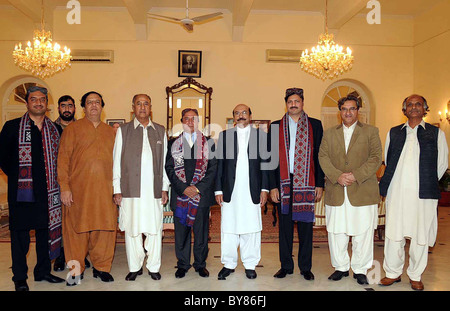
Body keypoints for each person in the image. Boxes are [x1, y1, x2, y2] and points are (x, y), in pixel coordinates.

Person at [378, 94, 448, 291]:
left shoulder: (436, 133)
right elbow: (387, 158)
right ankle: (392, 272)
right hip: (397, 192)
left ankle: (416, 275)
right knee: (394, 233)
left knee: (420, 235)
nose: (414, 107)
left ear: (425, 109)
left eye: (418, 104)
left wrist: (425, 180)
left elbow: (441, 164)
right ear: (404, 110)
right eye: (410, 104)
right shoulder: (394, 132)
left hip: (423, 193)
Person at [0, 86, 64, 291]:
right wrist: (20, 178)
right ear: (27, 103)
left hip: (49, 191)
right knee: (21, 235)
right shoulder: (12, 127)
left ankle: (43, 271)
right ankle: (19, 276)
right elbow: (3, 158)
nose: (38, 103)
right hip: (22, 193)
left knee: (46, 232)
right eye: (34, 99)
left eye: (42, 100)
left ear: (47, 103)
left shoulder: (55, 130)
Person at [318, 95, 382, 285]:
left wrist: (355, 175)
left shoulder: (371, 131)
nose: (348, 112)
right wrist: (337, 175)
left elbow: (376, 157)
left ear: (358, 110)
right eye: (344, 109)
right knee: (337, 231)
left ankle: (361, 269)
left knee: (363, 231)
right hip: (337, 189)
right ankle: (341, 267)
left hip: (362, 189)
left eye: (352, 109)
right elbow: (323, 157)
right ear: (340, 112)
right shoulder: (329, 133)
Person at [57, 91, 117, 286]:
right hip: (78, 192)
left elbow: (119, 163)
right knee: (76, 232)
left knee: (105, 230)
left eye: (97, 102)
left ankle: (102, 268)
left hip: (105, 192)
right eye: (89, 102)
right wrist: (65, 187)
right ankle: (75, 270)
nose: (93, 105)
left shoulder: (111, 133)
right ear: (83, 108)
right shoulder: (72, 129)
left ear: (102, 106)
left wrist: (118, 190)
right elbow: (63, 160)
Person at [269, 87, 324, 281]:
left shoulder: (315, 125)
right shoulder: (276, 126)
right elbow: (271, 160)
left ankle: (305, 267)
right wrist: (273, 186)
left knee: (305, 227)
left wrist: (319, 183)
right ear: (286, 104)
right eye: (290, 101)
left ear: (302, 103)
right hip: (283, 182)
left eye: (297, 101)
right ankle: (286, 266)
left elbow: (320, 156)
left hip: (307, 182)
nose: (293, 104)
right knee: (284, 228)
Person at [113, 94, 170, 281]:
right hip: (130, 189)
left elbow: (164, 163)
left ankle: (154, 267)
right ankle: (135, 266)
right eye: (139, 103)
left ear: (150, 107)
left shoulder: (160, 130)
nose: (143, 107)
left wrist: (164, 187)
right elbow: (116, 161)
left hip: (153, 190)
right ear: (133, 107)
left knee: (154, 229)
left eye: (146, 103)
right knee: (132, 229)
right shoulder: (123, 130)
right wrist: (117, 189)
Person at [215, 104, 269, 280]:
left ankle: (250, 264)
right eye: (237, 113)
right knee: (229, 228)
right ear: (233, 117)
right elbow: (219, 166)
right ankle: (229, 264)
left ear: (250, 115)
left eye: (244, 112)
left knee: (251, 227)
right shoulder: (224, 136)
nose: (241, 116)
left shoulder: (261, 136)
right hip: (230, 189)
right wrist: (218, 189)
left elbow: (266, 166)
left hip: (252, 189)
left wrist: (264, 189)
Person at [165, 108, 217, 279]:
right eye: (186, 119)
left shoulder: (208, 143)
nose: (189, 122)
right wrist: (183, 188)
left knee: (201, 233)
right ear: (182, 121)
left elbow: (212, 169)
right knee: (181, 233)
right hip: (180, 195)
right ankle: (183, 265)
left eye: (193, 118)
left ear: (198, 121)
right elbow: (169, 168)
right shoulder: (174, 143)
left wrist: (196, 189)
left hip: (200, 196)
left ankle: (200, 264)